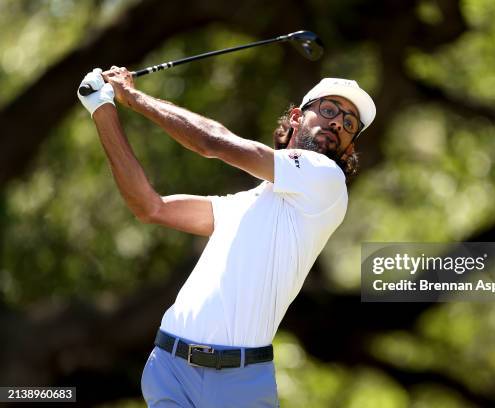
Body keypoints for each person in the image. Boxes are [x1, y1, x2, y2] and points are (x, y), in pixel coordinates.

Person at [77, 66, 376, 407]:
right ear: (296, 117)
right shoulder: (242, 204)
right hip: (170, 367)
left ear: (349, 148)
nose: (338, 123)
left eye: (350, 124)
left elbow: (213, 143)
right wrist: (102, 108)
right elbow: (150, 207)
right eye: (328, 110)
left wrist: (134, 98)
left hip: (239, 384)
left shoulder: (326, 179)